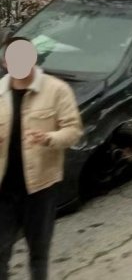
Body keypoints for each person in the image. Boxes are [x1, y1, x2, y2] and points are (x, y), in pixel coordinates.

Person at [0, 36, 83, 280]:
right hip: (4, 190)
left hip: (40, 189)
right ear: (5, 62)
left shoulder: (56, 90)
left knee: (38, 254)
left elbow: (74, 131)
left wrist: (48, 138)